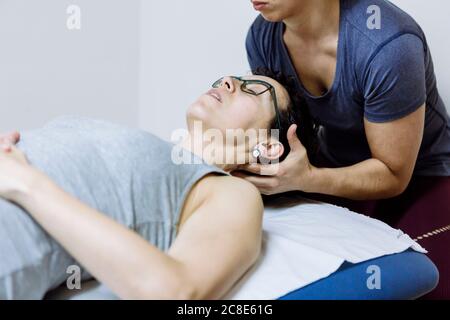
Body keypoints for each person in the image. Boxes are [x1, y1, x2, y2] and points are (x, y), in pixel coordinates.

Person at [0, 74, 296, 299]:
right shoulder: (157, 149)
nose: (229, 80)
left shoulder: (229, 192)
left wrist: (26, 184)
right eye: (232, 78)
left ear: (268, 146)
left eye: (254, 90)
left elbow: (177, 291)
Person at [241, 0, 450, 299]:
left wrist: (309, 178)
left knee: (419, 281)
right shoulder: (263, 36)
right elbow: (281, 135)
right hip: (331, 166)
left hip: (421, 177)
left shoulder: (388, 44)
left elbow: (393, 174)